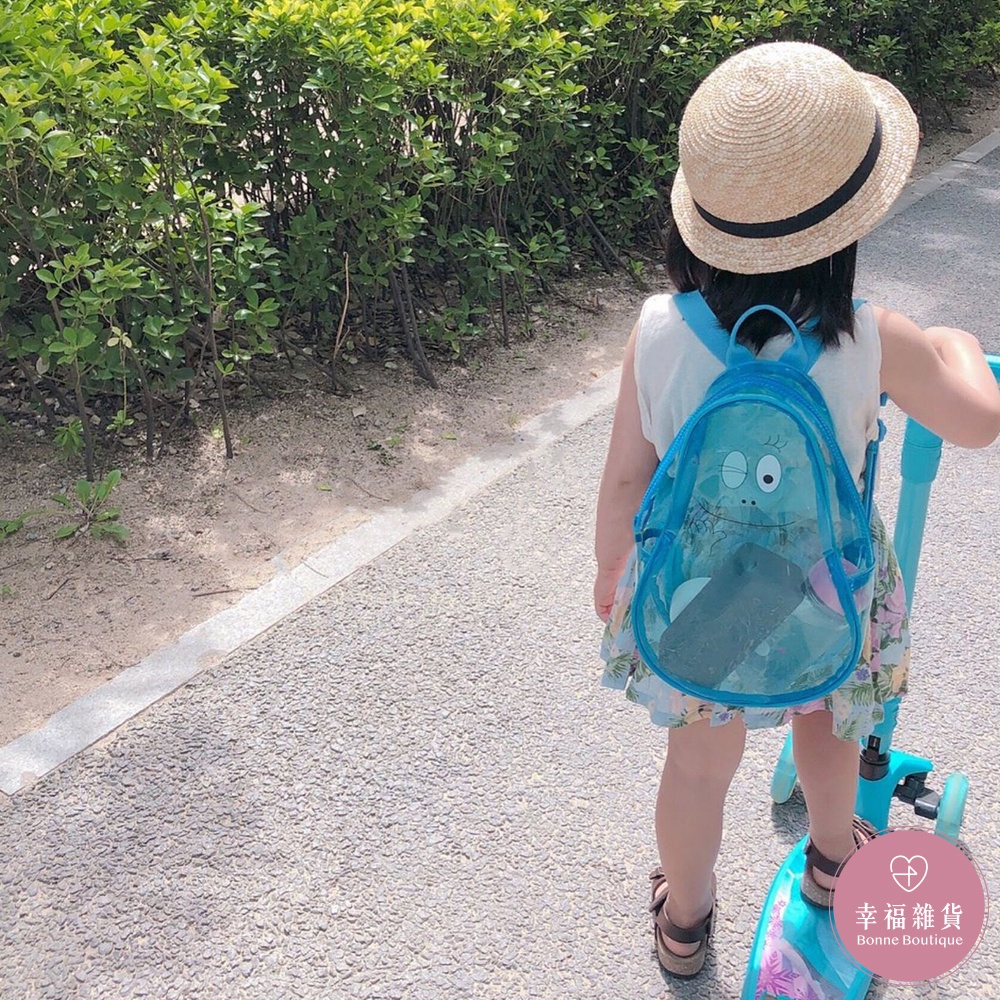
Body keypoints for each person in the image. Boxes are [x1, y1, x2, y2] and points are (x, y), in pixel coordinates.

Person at [593, 40, 1000, 979]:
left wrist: (613, 576)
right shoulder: (872, 339)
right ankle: (830, 861)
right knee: (831, 726)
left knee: (698, 766)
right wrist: (954, 342)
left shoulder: (657, 332)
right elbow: (978, 420)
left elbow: (624, 480)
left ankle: (684, 921)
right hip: (828, 586)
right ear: (844, 228)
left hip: (698, 596)